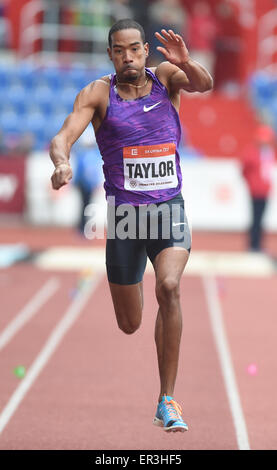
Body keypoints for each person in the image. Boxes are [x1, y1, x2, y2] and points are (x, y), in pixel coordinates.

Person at [49, 18, 213, 433]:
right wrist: (63, 162)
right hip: (124, 219)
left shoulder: (167, 78)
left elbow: (204, 84)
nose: (129, 56)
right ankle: (135, 290)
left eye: (135, 48)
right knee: (130, 324)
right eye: (120, 50)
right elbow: (63, 135)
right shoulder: (98, 93)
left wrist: (187, 61)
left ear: (145, 50)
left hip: (168, 209)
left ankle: (167, 400)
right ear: (111, 55)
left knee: (170, 287)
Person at [241, 124, 276, 253]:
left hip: (265, 190)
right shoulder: (252, 152)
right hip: (255, 190)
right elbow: (244, 169)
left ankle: (258, 244)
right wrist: (251, 183)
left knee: (261, 218)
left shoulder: (268, 153)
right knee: (255, 218)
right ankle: (253, 245)